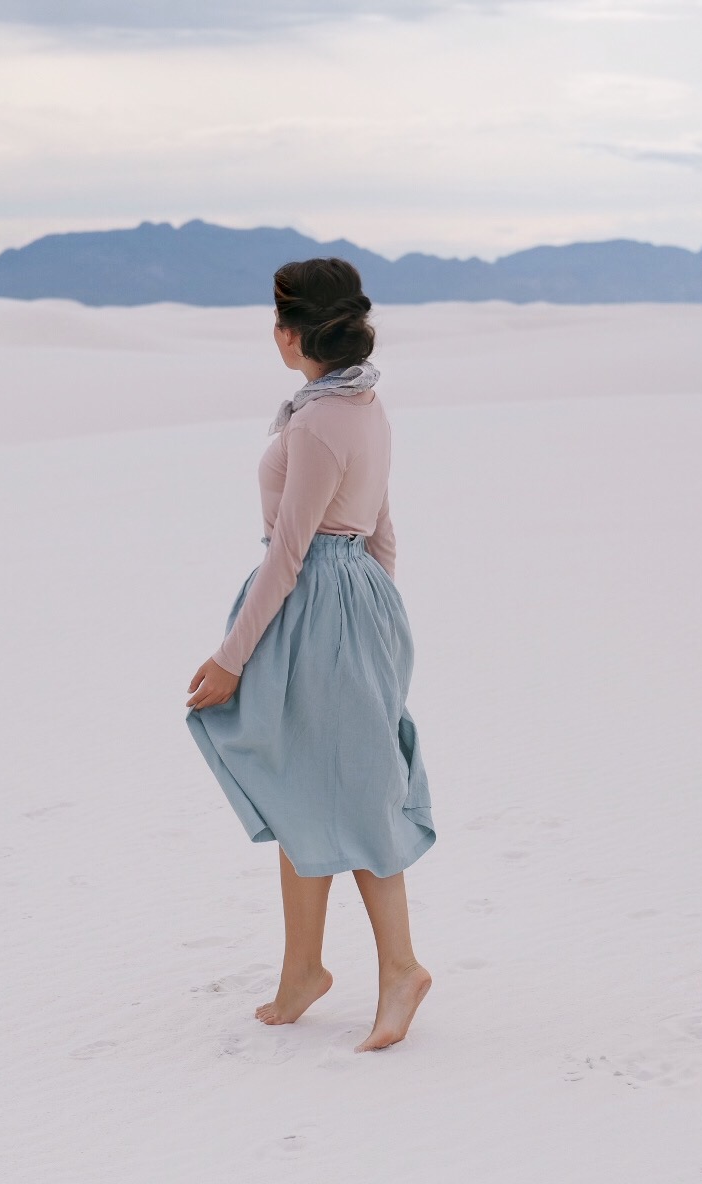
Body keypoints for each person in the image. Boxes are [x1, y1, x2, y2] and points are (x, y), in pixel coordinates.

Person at [184, 257, 436, 1053]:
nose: (274, 329)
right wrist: (376, 616)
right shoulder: (361, 402)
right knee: (303, 780)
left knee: (355, 792)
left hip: (315, 608)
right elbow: (382, 531)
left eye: (279, 315)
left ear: (299, 332)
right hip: (351, 601)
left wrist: (231, 658)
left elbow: (288, 555)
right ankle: (304, 970)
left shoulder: (318, 420)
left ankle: (400, 968)